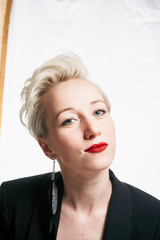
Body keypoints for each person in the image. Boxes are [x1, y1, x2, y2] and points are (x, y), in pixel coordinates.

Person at [0, 53, 160, 240]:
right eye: (69, 120)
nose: (92, 129)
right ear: (47, 147)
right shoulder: (11, 202)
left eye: (98, 111)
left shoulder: (154, 220)